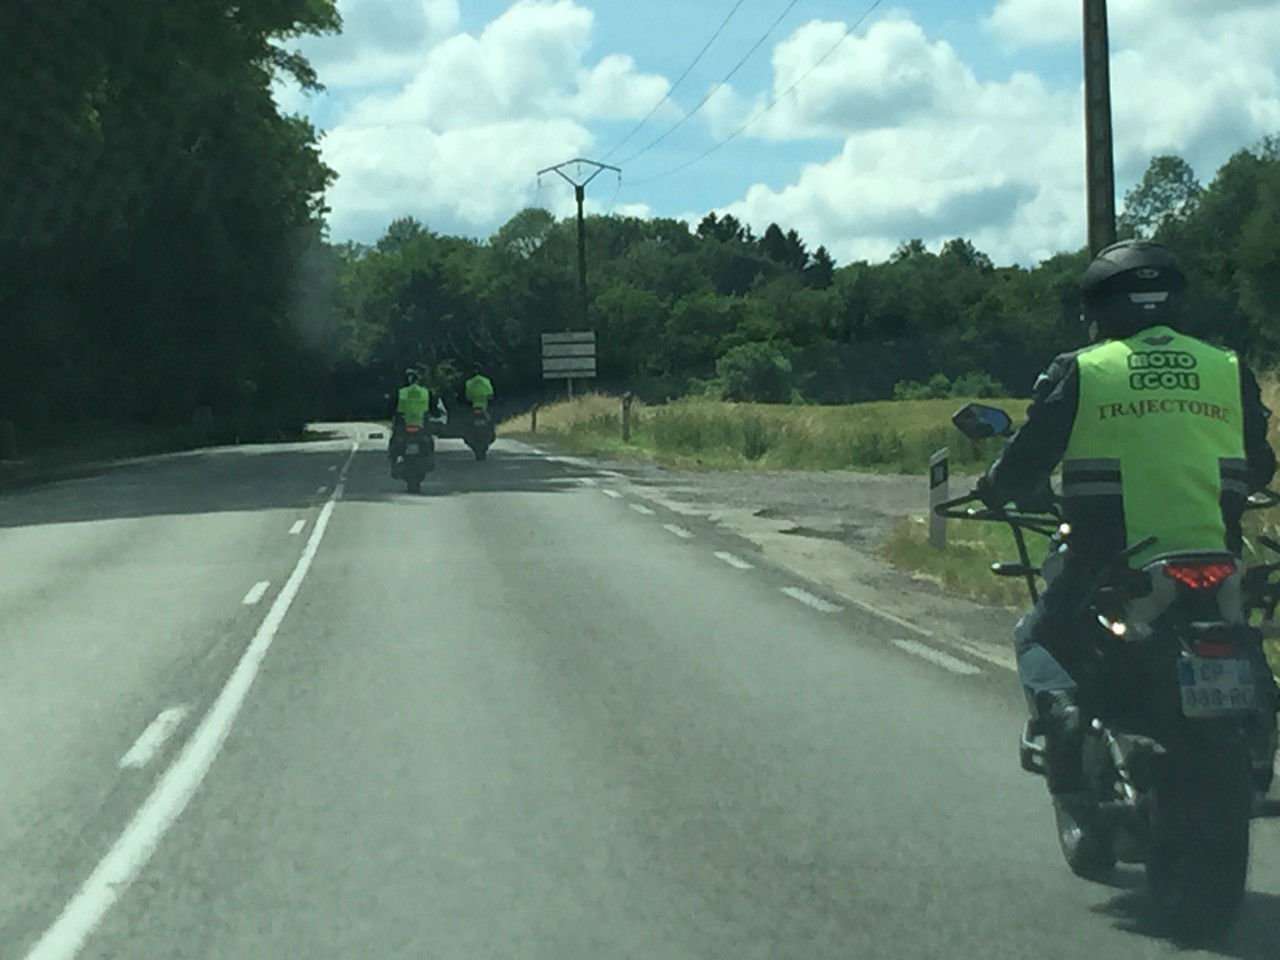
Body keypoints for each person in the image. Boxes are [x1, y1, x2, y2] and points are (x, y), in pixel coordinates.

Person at [973, 239, 1277, 799]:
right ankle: (1257, 733)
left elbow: (1024, 461)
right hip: (1218, 558)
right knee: (1241, 635)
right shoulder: (1227, 368)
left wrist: (994, 488)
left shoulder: (1084, 370)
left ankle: (1063, 717)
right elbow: (1260, 463)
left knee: (1037, 634)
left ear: (1098, 310)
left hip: (1109, 563)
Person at [388, 368, 438, 474]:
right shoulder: (425, 392)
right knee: (429, 442)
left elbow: (389, 408)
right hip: (421, 427)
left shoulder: (400, 393)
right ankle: (428, 460)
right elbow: (434, 408)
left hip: (402, 427)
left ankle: (395, 463)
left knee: (394, 444)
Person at [462, 364, 496, 442]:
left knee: (467, 423)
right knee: (491, 421)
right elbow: (491, 395)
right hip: (484, 407)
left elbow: (467, 397)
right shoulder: (486, 381)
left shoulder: (468, 382)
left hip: (473, 408)